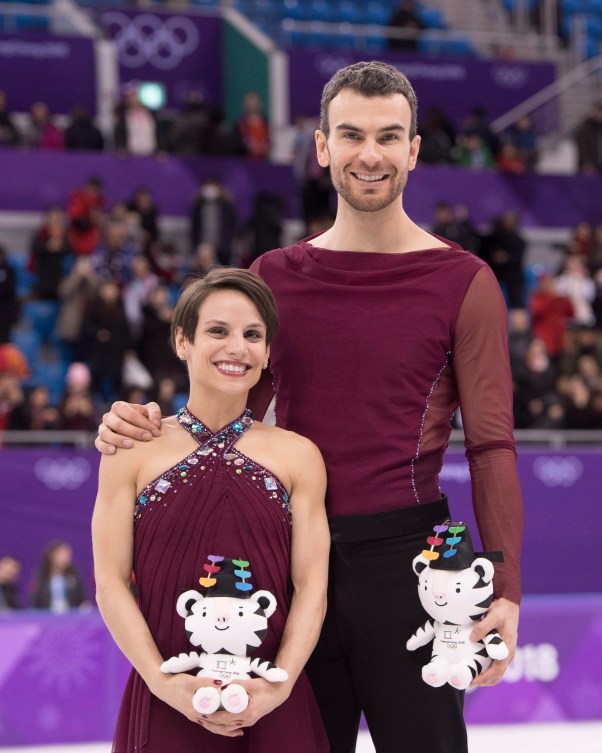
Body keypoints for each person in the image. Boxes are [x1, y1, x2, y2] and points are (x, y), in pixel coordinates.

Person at [95, 61, 523, 753]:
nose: (370, 154)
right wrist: (146, 426)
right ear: (322, 147)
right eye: (351, 135)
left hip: (413, 568)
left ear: (414, 150)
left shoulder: (463, 281)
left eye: (390, 136)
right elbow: (224, 414)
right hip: (292, 563)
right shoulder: (275, 276)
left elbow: (492, 444)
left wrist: (505, 587)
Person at [92, 268, 329, 752]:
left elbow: (312, 585)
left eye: (253, 335)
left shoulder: (299, 455)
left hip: (272, 704)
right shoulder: (132, 448)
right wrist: (165, 684)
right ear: (183, 341)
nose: (237, 348)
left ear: (267, 352)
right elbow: (110, 583)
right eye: (218, 331)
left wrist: (278, 686)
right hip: (166, 699)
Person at [32, 540, 87, 611]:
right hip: (47, 615)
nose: (67, 558)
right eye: (63, 554)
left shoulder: (73, 574)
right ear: (53, 555)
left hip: (70, 615)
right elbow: (36, 600)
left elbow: (81, 597)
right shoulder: (41, 576)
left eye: (68, 555)